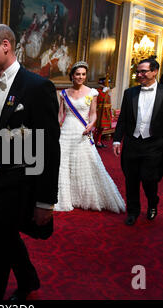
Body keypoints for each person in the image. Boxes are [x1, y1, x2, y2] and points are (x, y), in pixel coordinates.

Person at [0, 24, 61, 300]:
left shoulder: (38, 87)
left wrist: (45, 201)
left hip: (18, 187)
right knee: (7, 238)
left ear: (6, 45)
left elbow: (49, 150)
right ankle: (29, 280)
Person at [55, 61, 125, 213]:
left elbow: (93, 114)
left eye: (83, 74)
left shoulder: (92, 92)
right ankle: (66, 197)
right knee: (63, 163)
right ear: (72, 76)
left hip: (82, 131)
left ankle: (84, 197)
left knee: (85, 162)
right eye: (77, 74)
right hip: (66, 131)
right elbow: (61, 114)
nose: (80, 77)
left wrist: (91, 125)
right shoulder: (64, 93)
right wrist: (56, 128)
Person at [113, 58, 163, 225]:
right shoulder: (130, 93)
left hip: (154, 145)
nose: (139, 74)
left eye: (144, 71)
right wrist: (116, 140)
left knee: (150, 178)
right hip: (132, 143)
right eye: (138, 71)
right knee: (131, 179)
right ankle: (133, 211)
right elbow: (123, 120)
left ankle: (152, 202)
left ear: (154, 72)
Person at [94, 76, 113, 148]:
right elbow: (100, 100)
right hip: (100, 112)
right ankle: (96, 141)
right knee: (98, 128)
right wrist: (104, 92)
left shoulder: (107, 91)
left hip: (106, 112)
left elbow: (109, 101)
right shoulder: (97, 91)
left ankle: (98, 141)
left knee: (101, 128)